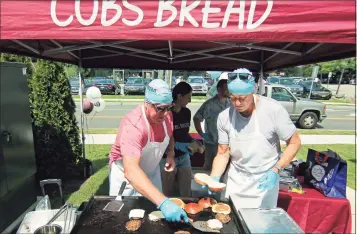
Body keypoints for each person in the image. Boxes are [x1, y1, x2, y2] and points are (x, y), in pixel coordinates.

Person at [206, 77, 301, 209]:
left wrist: (277, 169)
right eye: (232, 98)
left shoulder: (273, 110)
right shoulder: (224, 117)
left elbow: (294, 143)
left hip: (264, 179)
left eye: (242, 98)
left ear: (253, 92)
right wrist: (214, 177)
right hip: (236, 179)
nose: (237, 103)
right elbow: (222, 152)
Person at [109, 79, 189, 223]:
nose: (165, 114)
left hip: (152, 173)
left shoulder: (167, 116)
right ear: (147, 103)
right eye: (160, 108)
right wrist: (164, 202)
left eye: (168, 107)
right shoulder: (133, 124)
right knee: (123, 219)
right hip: (126, 178)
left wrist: (171, 154)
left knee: (154, 217)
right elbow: (131, 170)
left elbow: (170, 136)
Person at [160, 82, 194, 197]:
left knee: (186, 192)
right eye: (188, 97)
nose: (190, 100)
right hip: (167, 157)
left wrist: (193, 142)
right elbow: (165, 136)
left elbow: (184, 133)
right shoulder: (167, 113)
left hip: (184, 156)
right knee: (167, 192)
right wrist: (176, 146)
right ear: (180, 96)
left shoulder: (186, 112)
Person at [193, 79, 230, 170]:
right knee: (210, 167)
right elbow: (197, 118)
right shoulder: (209, 104)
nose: (228, 91)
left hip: (227, 143)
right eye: (226, 88)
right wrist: (202, 134)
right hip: (213, 143)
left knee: (225, 168)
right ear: (219, 89)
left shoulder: (230, 103)